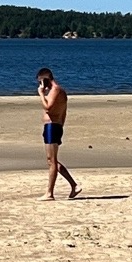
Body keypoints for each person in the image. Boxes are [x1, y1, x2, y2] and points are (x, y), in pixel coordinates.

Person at [36, 67, 79, 200]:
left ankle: (50, 193)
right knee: (52, 160)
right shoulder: (59, 91)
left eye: (40, 82)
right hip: (54, 126)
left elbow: (48, 107)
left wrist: (41, 94)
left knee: (52, 161)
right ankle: (74, 185)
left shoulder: (55, 90)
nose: (40, 85)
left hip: (52, 127)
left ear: (45, 80)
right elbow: (63, 112)